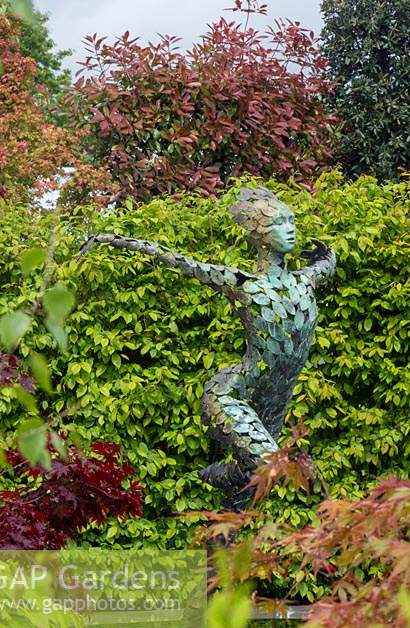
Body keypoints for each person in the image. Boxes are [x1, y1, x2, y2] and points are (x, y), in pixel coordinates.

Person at [81, 188, 336, 508]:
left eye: (291, 221)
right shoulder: (244, 284)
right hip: (230, 393)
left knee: (245, 493)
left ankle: (221, 539)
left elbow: (327, 264)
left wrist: (327, 254)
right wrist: (111, 238)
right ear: (260, 235)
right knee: (270, 467)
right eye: (280, 222)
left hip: (271, 405)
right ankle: (209, 474)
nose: (290, 228)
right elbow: (179, 261)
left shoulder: (305, 281)